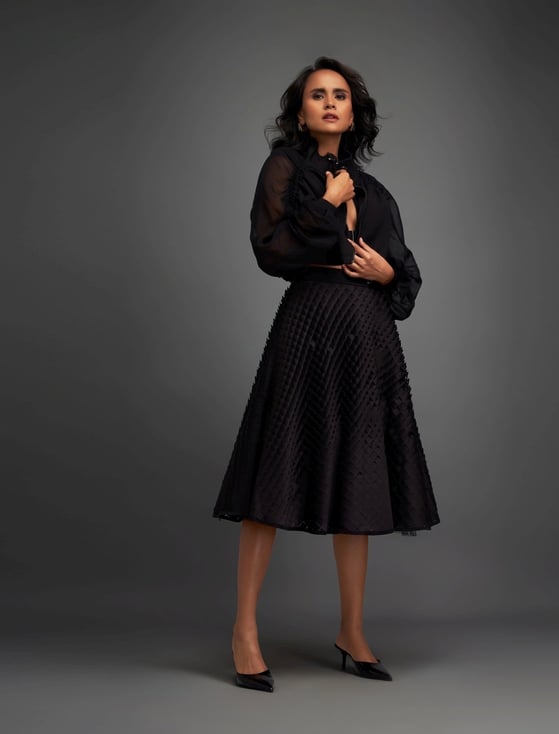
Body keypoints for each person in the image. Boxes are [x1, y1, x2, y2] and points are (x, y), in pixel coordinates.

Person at [212, 57, 440, 692]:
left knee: (359, 477)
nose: (331, 103)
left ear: (354, 111)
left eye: (341, 94)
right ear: (301, 110)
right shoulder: (285, 169)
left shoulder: (377, 192)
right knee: (273, 471)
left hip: (367, 338)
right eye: (318, 95)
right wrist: (326, 204)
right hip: (308, 327)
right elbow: (271, 249)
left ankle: (352, 631)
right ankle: (244, 630)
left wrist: (386, 274)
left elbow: (404, 269)